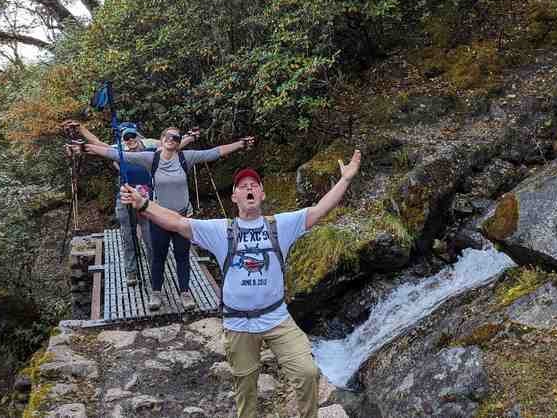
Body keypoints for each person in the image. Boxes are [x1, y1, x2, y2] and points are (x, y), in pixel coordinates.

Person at [119, 149, 362, 418]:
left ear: (262, 195)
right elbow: (177, 222)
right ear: (234, 197)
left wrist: (346, 180)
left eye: (254, 186)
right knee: (245, 388)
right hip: (238, 323)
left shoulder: (281, 224)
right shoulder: (221, 230)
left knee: (307, 372)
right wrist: (143, 204)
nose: (249, 189)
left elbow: (319, 210)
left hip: (277, 318)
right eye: (242, 186)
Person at [82, 127, 254, 311]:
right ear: (161, 139)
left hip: (182, 218)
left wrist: (241, 144)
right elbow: (116, 154)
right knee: (158, 256)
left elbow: (215, 152)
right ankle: (156, 292)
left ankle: (185, 293)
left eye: (175, 137)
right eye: (168, 136)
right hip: (159, 217)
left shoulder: (185, 157)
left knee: (182, 256)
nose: (171, 139)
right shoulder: (151, 159)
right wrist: (86, 148)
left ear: (179, 142)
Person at [61, 120, 197, 287]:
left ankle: (155, 271)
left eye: (131, 135)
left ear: (137, 134)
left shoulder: (151, 145)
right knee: (128, 235)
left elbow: (173, 146)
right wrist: (81, 130)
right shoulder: (119, 148)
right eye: (125, 137)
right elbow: (97, 143)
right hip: (125, 196)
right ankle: (131, 271)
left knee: (149, 236)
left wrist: (189, 138)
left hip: (147, 199)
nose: (129, 140)